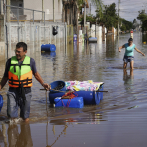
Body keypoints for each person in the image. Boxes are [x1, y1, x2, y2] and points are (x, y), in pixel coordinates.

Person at [0, 42, 50, 122]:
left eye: (19, 51)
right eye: (16, 51)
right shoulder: (9, 62)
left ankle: (25, 131)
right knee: (11, 116)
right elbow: (5, 77)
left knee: (25, 117)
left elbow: (36, 74)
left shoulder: (31, 61)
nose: (17, 53)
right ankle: (13, 131)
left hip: (26, 92)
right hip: (12, 91)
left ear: (25, 52)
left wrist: (43, 84)